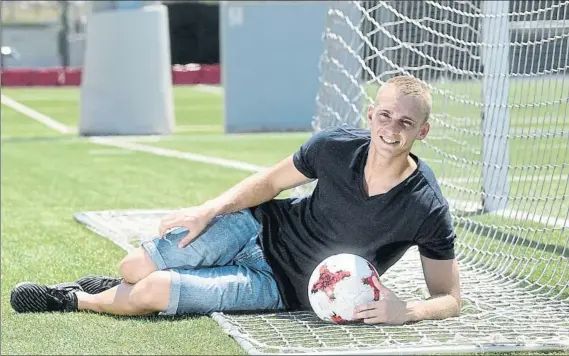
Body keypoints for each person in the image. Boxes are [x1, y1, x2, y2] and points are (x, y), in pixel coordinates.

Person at [10, 76, 462, 325]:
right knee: (132, 269)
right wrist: (208, 210)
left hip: (280, 287)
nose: (392, 128)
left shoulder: (425, 207)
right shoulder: (335, 146)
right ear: (371, 115)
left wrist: (410, 311)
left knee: (147, 292)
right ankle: (113, 286)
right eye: (385, 115)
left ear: (422, 131)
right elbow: (269, 182)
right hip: (258, 225)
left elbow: (449, 296)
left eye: (406, 122)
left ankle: (70, 298)